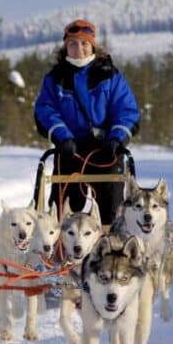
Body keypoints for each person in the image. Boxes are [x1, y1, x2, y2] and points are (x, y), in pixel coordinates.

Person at [34, 19, 140, 226]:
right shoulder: (55, 78)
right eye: (73, 43)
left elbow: (126, 110)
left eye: (84, 43)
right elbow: (45, 110)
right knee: (62, 213)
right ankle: (60, 253)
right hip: (69, 150)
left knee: (112, 214)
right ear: (65, 47)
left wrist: (116, 139)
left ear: (93, 46)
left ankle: (111, 252)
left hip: (106, 151)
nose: (79, 48)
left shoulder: (110, 75)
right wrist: (63, 138)